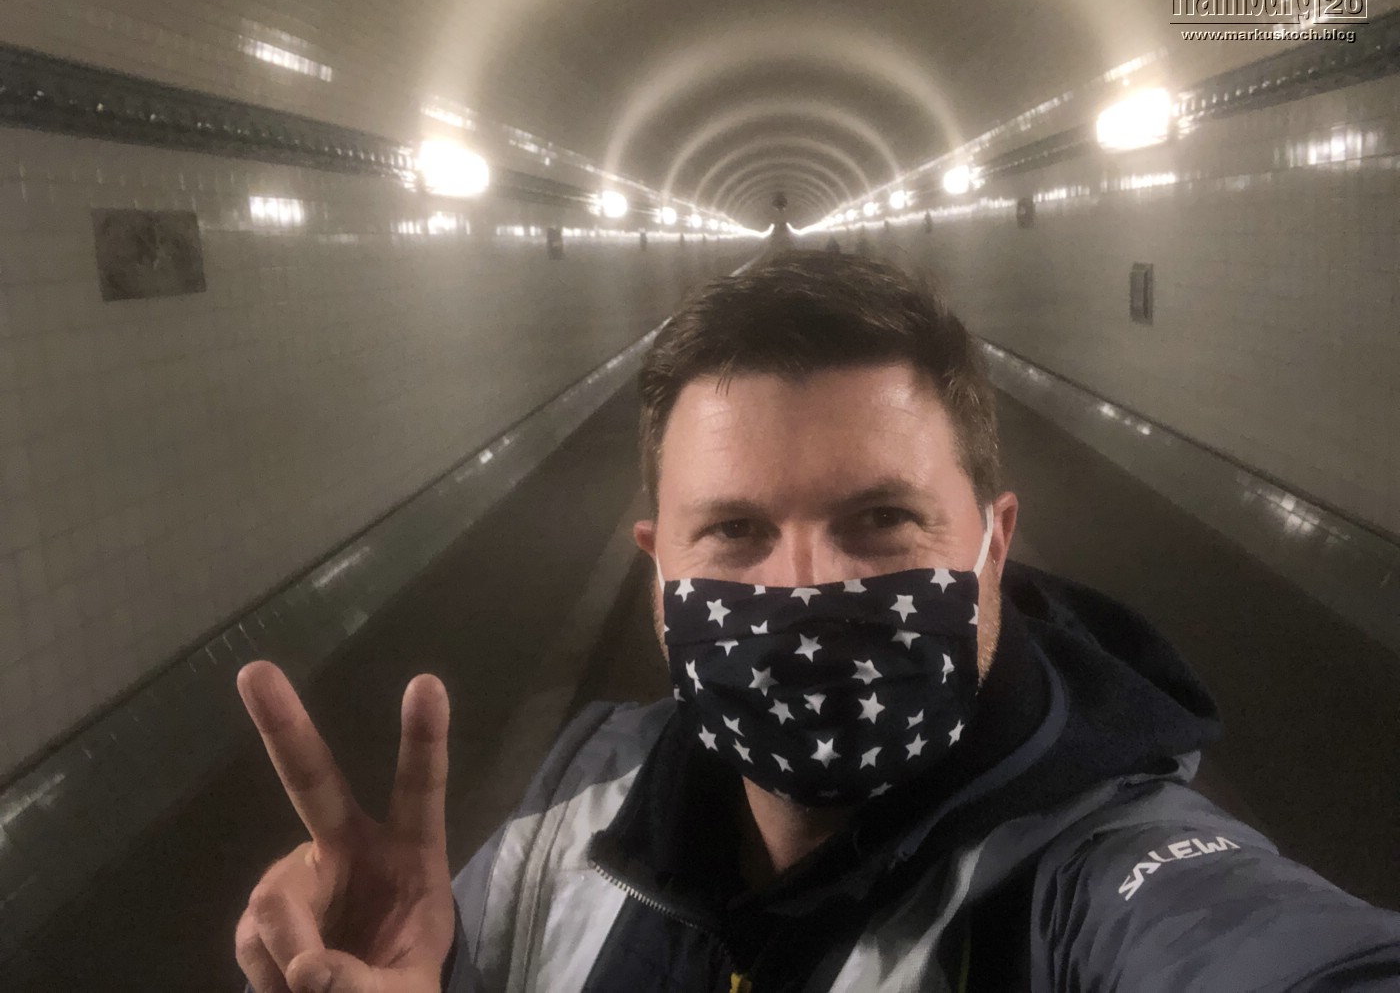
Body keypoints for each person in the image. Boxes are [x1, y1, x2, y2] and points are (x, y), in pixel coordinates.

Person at [234, 251, 1400, 992]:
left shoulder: (1098, 881)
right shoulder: (571, 815)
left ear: (993, 541)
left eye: (880, 519)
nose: (802, 586)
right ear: (656, 568)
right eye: (734, 530)